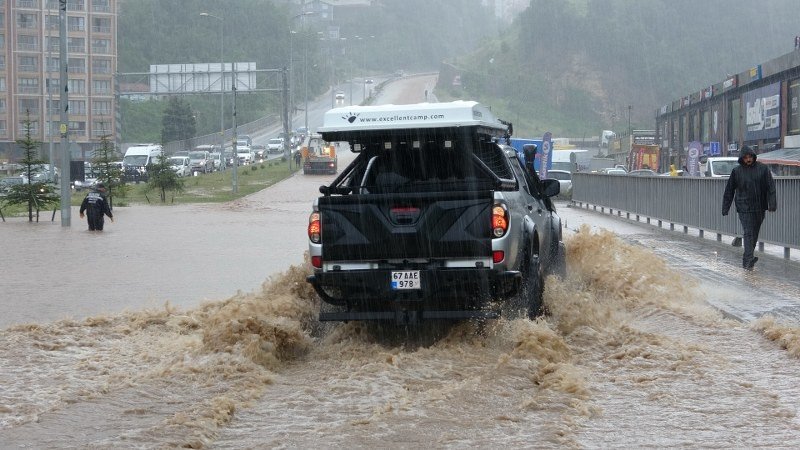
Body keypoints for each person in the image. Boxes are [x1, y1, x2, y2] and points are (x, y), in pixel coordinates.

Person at [721, 146, 777, 270]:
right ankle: (748, 260)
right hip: (743, 206)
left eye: (750, 157)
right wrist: (725, 207)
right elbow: (729, 190)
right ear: (742, 158)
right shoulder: (737, 171)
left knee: (754, 233)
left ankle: (748, 258)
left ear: (753, 157)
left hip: (759, 206)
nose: (748, 160)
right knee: (749, 232)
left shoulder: (763, 169)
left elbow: (771, 187)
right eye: (745, 158)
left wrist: (772, 204)